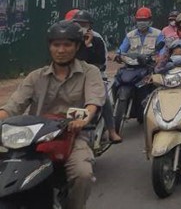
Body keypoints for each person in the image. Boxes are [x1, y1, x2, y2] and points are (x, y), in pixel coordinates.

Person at [0, 21, 105, 209]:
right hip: (33, 140)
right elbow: (13, 106)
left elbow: (92, 103)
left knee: (83, 174)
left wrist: (83, 119)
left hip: (72, 136)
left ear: (77, 46)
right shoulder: (35, 76)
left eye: (67, 45)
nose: (61, 50)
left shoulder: (90, 72)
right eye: (56, 45)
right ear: (50, 47)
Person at [71, 10, 123, 144]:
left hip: (95, 77)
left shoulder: (97, 39)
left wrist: (88, 45)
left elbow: (100, 61)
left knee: (104, 99)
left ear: (90, 25)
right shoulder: (70, 38)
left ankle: (112, 131)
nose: (81, 27)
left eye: (84, 24)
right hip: (73, 76)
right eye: (78, 24)